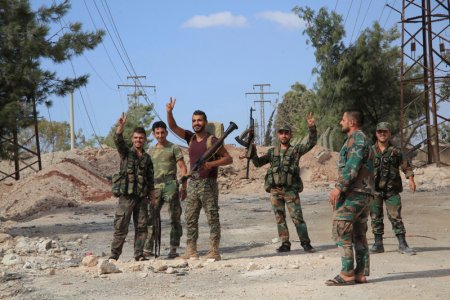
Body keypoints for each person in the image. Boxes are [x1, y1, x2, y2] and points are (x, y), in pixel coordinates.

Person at [166, 97, 233, 261]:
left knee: (212, 217)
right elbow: (173, 127)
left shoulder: (212, 140)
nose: (196, 123)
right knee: (190, 218)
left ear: (205, 122)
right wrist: (169, 112)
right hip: (193, 184)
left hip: (208, 184)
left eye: (199, 120)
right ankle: (191, 250)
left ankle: (214, 251)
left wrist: (211, 164)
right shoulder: (190, 138)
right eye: (194, 121)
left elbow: (228, 159)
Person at [250, 113, 317, 253]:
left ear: (290, 135)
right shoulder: (272, 152)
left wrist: (312, 128)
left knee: (297, 217)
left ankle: (306, 243)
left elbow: (311, 143)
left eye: (286, 133)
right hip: (275, 190)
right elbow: (257, 163)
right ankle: (285, 244)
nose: (284, 135)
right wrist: (252, 152)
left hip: (291, 190)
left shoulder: (296, 151)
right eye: (281, 133)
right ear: (277, 135)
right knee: (279, 218)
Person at [327, 109, 374, 286]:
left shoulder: (357, 140)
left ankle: (347, 274)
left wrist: (339, 188)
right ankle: (360, 273)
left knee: (342, 230)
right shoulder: (360, 140)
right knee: (359, 234)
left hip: (354, 194)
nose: (341, 122)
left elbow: (352, 166)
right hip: (364, 194)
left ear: (352, 123)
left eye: (343, 119)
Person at [109, 113, 154, 261]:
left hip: (141, 198)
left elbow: (150, 179)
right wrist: (120, 127)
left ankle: (139, 254)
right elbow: (118, 141)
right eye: (135, 138)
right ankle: (114, 256)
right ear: (132, 139)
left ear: (145, 139)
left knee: (141, 227)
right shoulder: (126, 153)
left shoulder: (147, 158)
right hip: (126, 197)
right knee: (121, 227)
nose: (138, 140)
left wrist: (152, 196)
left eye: (140, 138)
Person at [369, 122, 416, 255]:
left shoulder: (396, 151)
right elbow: (362, 169)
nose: (382, 134)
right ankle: (378, 244)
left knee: (396, 217)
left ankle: (403, 244)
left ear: (389, 133)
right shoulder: (370, 151)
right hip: (375, 190)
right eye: (380, 132)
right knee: (375, 217)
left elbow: (406, 166)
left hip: (392, 191)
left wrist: (411, 179)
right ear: (376, 134)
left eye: (385, 132)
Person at [143, 121, 188, 259]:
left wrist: (184, 187)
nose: (160, 135)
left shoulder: (173, 148)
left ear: (166, 133)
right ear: (153, 134)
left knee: (174, 217)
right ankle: (148, 248)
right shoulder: (150, 151)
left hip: (170, 185)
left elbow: (182, 167)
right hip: (155, 187)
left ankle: (173, 247)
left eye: (162, 132)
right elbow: (147, 171)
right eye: (157, 133)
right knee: (151, 217)